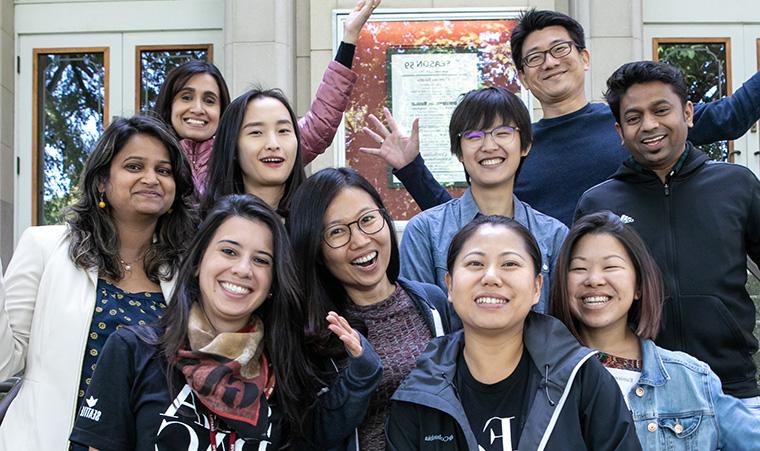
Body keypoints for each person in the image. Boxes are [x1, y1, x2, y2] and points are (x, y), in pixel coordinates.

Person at [364, 9, 760, 226]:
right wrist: (410, 167)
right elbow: (466, 213)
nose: (549, 63)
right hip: (552, 300)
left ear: (584, 57)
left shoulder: (636, 123)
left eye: (560, 50)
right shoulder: (514, 146)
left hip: (639, 291)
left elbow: (731, 116)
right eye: (534, 58)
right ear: (523, 76)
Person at [70, 194, 348, 449]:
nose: (242, 269)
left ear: (273, 283)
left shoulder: (285, 373)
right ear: (196, 263)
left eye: (261, 260)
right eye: (229, 251)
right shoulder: (132, 350)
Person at [0, 115, 197, 449]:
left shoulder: (188, 270)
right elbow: (6, 363)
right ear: (102, 180)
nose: (151, 179)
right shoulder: (44, 248)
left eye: (163, 171)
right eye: (135, 166)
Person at [574, 61, 760, 409]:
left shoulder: (737, 185)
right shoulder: (598, 203)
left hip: (732, 388)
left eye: (661, 110)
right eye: (634, 117)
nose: (649, 125)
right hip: (635, 392)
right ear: (619, 130)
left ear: (688, 113)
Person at [386, 215, 641, 451]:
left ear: (537, 287)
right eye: (475, 263)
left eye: (509, 263)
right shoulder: (419, 392)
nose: (491, 277)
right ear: (449, 286)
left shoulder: (582, 377)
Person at [550, 211, 760, 449]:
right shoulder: (542, 377)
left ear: (639, 285)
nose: (594, 279)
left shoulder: (691, 379)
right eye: (579, 269)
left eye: (611, 266)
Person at [286, 167, 456, 451]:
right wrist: (360, 375)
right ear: (315, 248)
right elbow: (315, 434)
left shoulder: (432, 302)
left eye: (368, 219)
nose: (361, 240)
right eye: (337, 231)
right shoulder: (313, 329)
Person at [154, 0, 381, 194]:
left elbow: (318, 127)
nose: (197, 108)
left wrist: (349, 38)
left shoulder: (238, 152)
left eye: (210, 100)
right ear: (168, 104)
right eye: (186, 97)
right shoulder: (150, 153)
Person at [396, 86, 567, 311]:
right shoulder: (425, 232)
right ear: (458, 151)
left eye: (503, 132)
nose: (489, 146)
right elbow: (420, 325)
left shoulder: (553, 235)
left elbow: (560, 324)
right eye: (474, 135)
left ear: (525, 145)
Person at [202, 88, 306, 217]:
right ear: (232, 146)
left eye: (283, 130)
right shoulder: (208, 227)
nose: (273, 145)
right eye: (256, 132)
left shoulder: (320, 219)